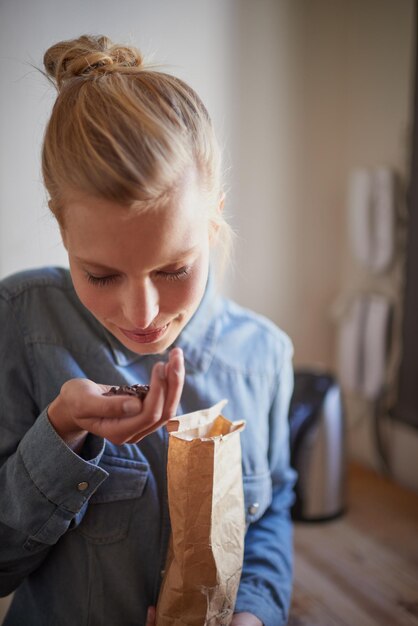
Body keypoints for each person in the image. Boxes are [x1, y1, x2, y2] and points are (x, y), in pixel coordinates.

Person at [0, 35, 296, 626]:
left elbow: (271, 515)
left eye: (174, 270)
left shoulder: (264, 356)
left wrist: (255, 614)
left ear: (215, 216)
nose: (141, 315)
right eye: (102, 275)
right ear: (62, 230)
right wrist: (59, 435)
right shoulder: (19, 323)